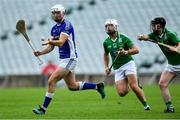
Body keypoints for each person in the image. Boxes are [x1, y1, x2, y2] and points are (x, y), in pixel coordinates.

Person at [32, 4, 105, 115]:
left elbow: (61, 41)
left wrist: (50, 41)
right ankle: (97, 86)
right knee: (72, 86)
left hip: (70, 58)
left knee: (51, 81)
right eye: (54, 13)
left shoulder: (67, 25)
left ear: (63, 13)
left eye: (58, 12)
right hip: (64, 60)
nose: (56, 15)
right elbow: (51, 47)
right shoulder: (54, 28)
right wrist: (40, 52)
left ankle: (43, 109)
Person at [103, 19, 150, 111]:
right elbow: (105, 54)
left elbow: (136, 50)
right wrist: (106, 67)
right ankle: (134, 82)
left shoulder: (124, 38)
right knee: (121, 93)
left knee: (134, 86)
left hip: (128, 63)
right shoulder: (106, 42)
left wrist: (125, 52)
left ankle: (145, 105)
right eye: (106, 26)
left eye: (110, 25)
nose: (108, 28)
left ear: (116, 27)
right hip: (117, 67)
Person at [138, 17, 180, 113]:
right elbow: (146, 37)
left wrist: (176, 48)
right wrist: (142, 37)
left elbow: (179, 44)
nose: (152, 26)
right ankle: (170, 108)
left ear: (160, 25)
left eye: (154, 24)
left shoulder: (170, 34)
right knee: (162, 84)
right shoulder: (155, 35)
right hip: (172, 65)